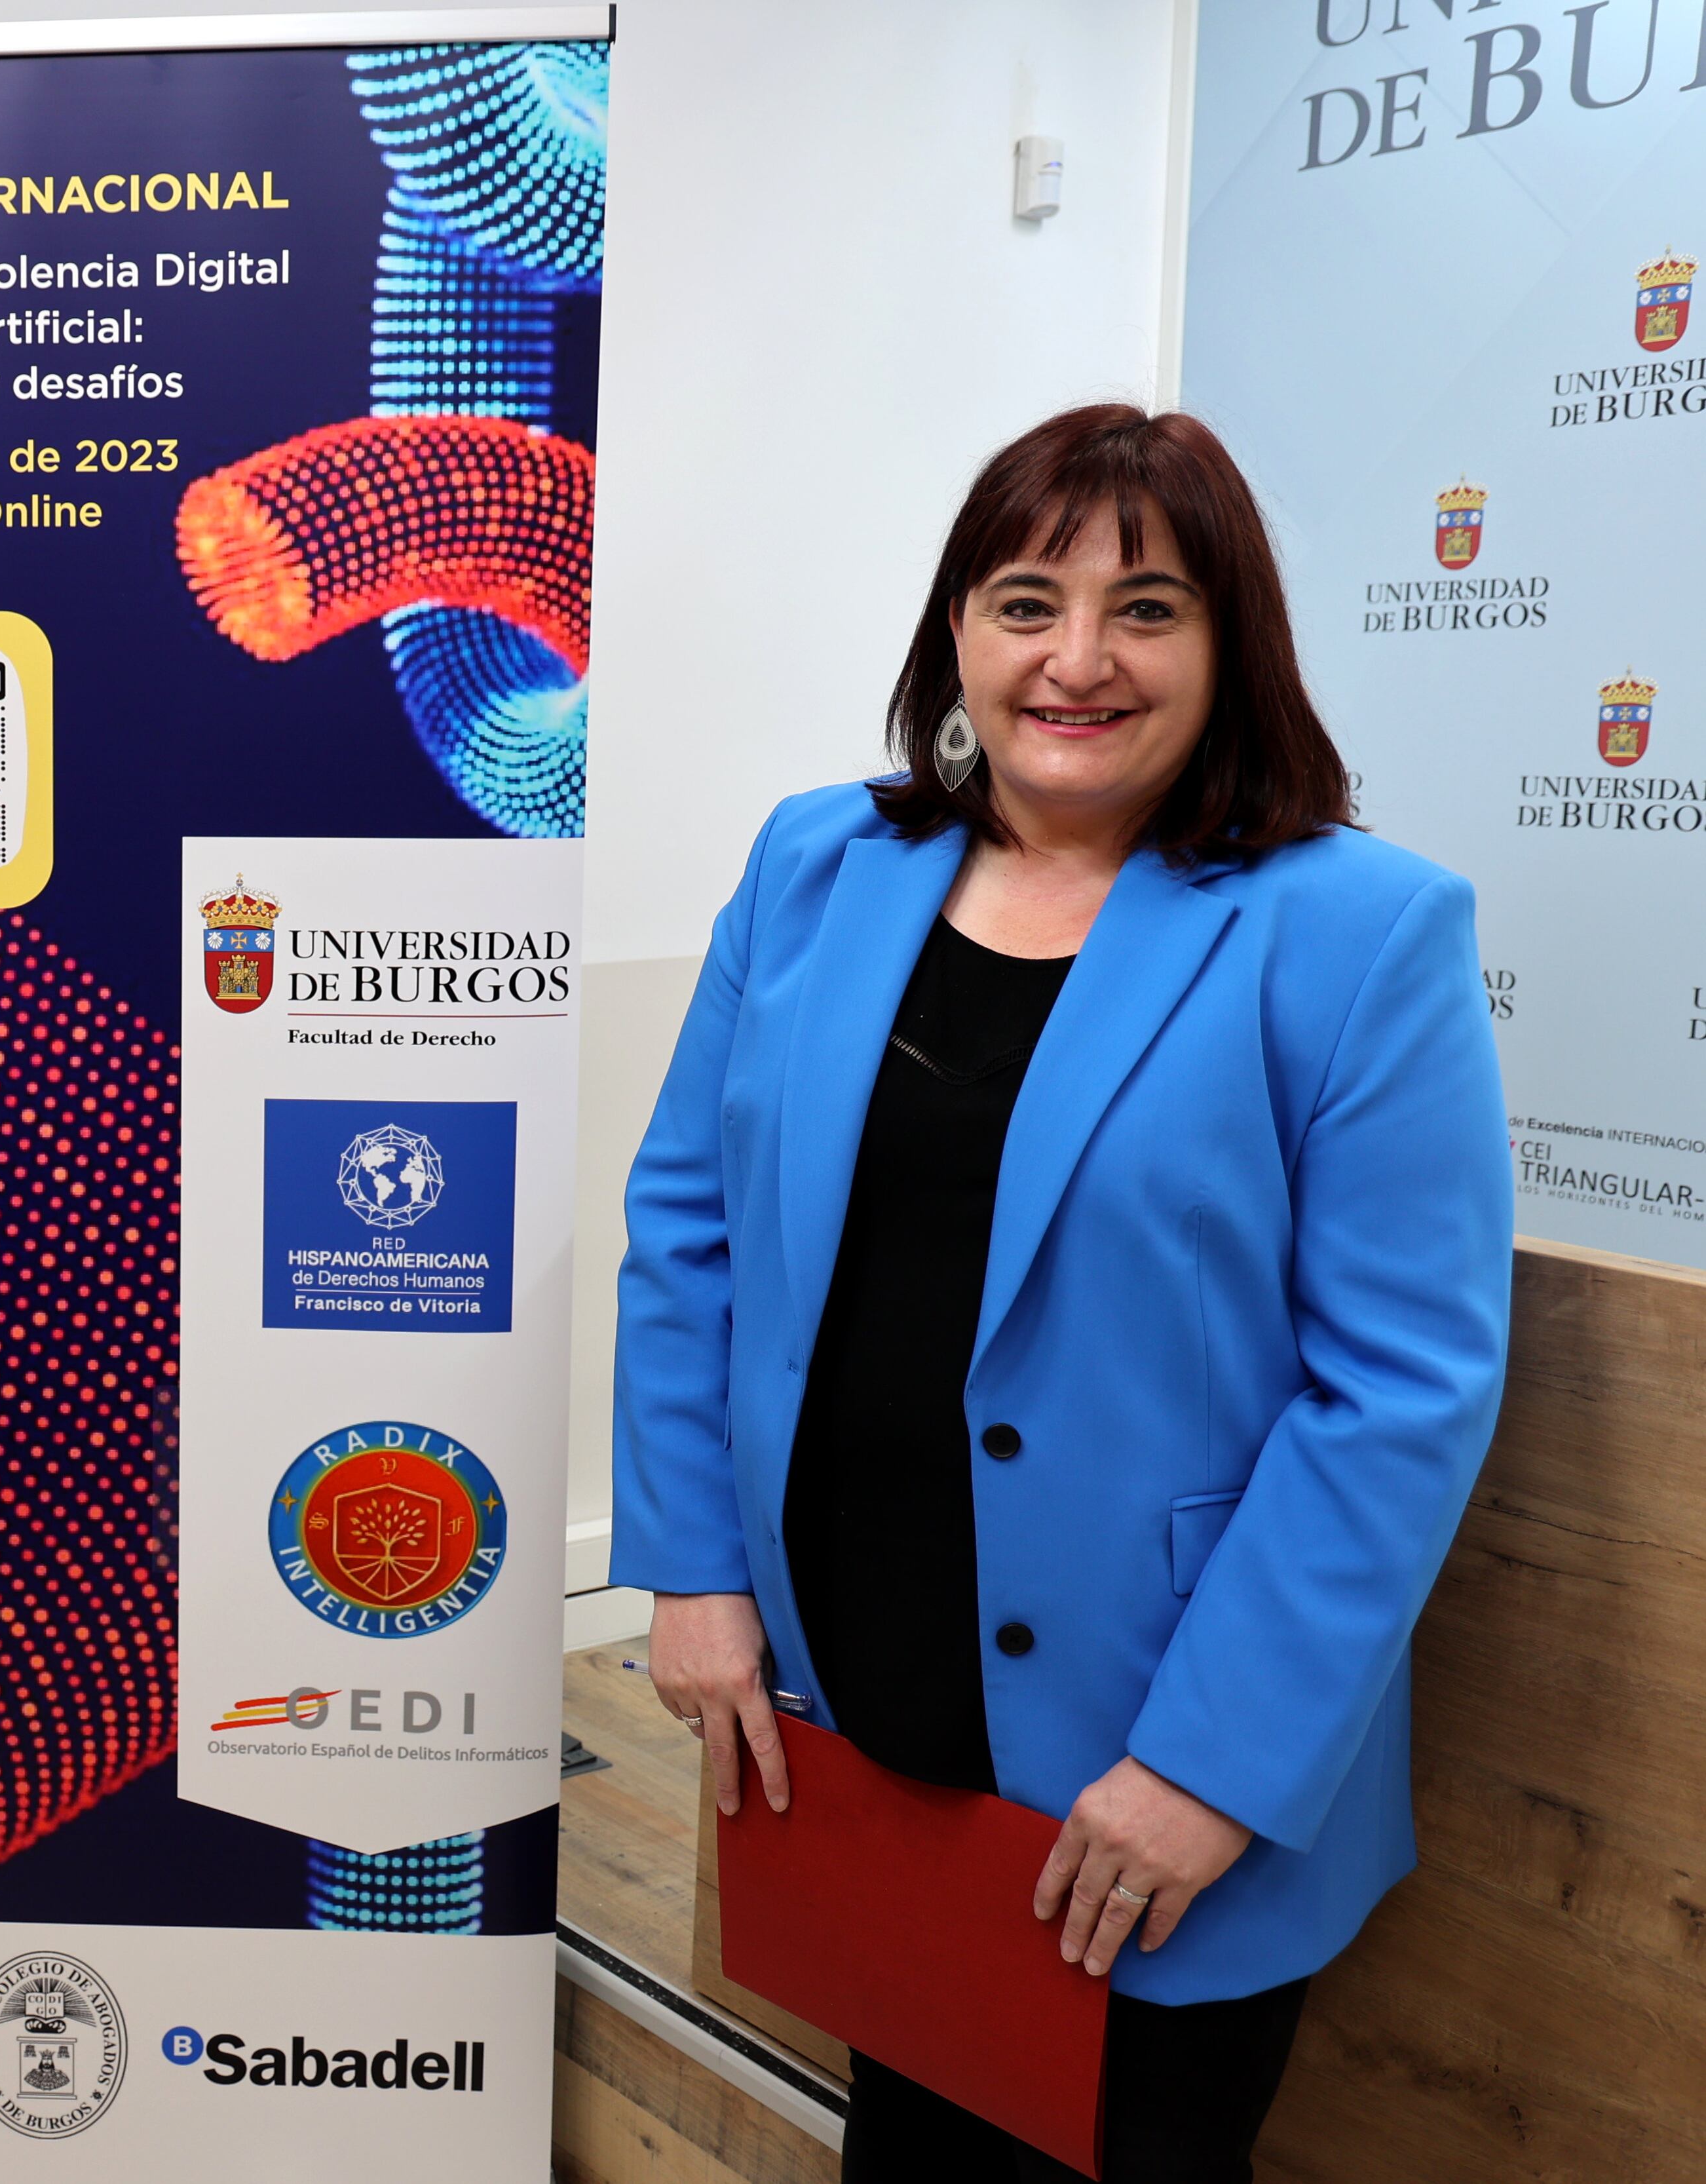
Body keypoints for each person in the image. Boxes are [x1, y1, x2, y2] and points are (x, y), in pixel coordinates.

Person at [611, 406, 1510, 2183]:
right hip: (845, 1696)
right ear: (959, 630)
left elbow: (1399, 1392)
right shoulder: (816, 867)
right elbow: (687, 1226)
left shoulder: (1353, 931)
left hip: (1149, 1741)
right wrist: (697, 1568)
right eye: (1028, 600)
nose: (1077, 660)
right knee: (916, 2138)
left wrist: (1217, 1767)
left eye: (1148, 608)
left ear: (1227, 642)